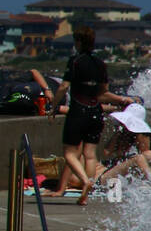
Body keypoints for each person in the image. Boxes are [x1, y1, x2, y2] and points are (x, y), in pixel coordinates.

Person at [45, 26, 135, 204]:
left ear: (78, 42)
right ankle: (88, 190)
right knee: (90, 154)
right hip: (96, 111)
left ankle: (85, 182)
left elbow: (63, 87)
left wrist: (53, 106)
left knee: (70, 153)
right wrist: (122, 99)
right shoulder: (100, 64)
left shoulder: (75, 61)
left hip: (78, 111)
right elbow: (103, 94)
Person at [98, 103, 151, 183]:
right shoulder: (121, 133)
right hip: (107, 174)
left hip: (124, 172)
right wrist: (120, 132)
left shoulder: (142, 138)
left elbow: (145, 152)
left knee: (149, 154)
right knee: (139, 158)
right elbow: (106, 152)